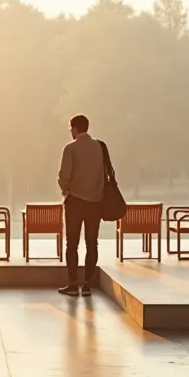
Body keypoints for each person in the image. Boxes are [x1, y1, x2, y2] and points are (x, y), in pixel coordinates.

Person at [57, 114, 106, 298]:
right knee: (92, 243)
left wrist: (65, 189)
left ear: (75, 128)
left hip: (75, 201)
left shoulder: (71, 148)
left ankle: (72, 283)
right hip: (95, 202)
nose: (70, 132)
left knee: (72, 244)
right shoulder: (99, 147)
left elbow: (64, 176)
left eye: (70, 129)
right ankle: (87, 285)